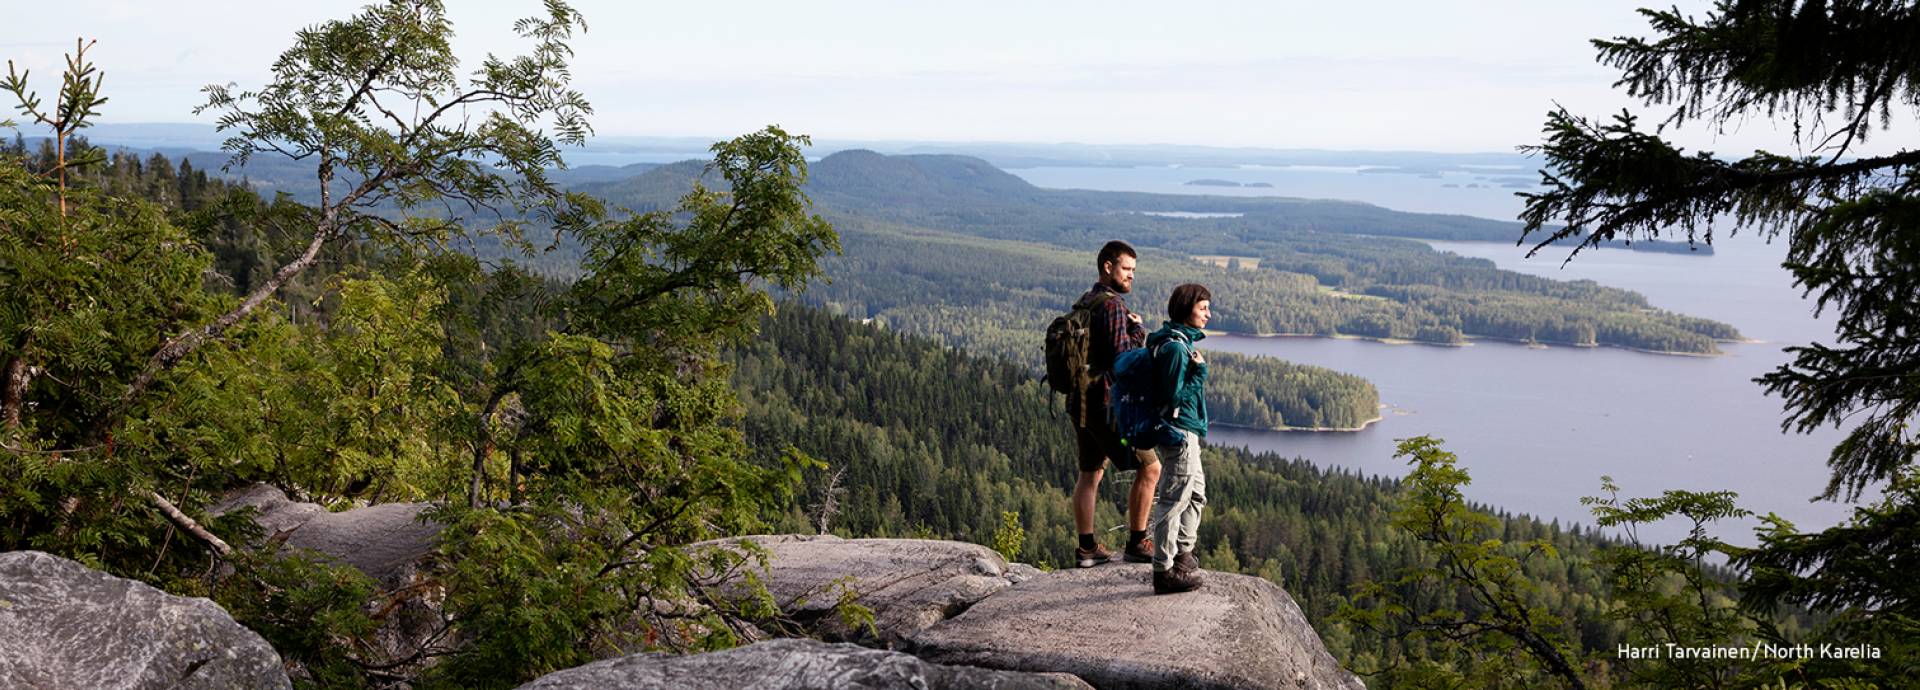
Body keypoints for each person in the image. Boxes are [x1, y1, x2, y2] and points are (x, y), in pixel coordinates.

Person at [1066, 241, 1163, 568]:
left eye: (1133, 271)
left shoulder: (1086, 301)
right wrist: (1137, 330)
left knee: (1089, 474)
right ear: (1108, 267)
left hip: (1080, 402)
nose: (1131, 276)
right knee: (1151, 468)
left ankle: (1087, 549)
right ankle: (1138, 542)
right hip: (1107, 406)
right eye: (1126, 269)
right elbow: (1124, 362)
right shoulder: (1112, 307)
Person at [1148, 283, 1211, 594]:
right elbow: (1172, 399)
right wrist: (1199, 374)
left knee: (1196, 494)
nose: (1208, 314)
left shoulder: (1182, 343)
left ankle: (1183, 557)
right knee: (1173, 501)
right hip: (1179, 432)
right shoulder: (1175, 348)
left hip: (1189, 432)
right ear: (1187, 309)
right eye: (1203, 308)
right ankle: (1164, 571)